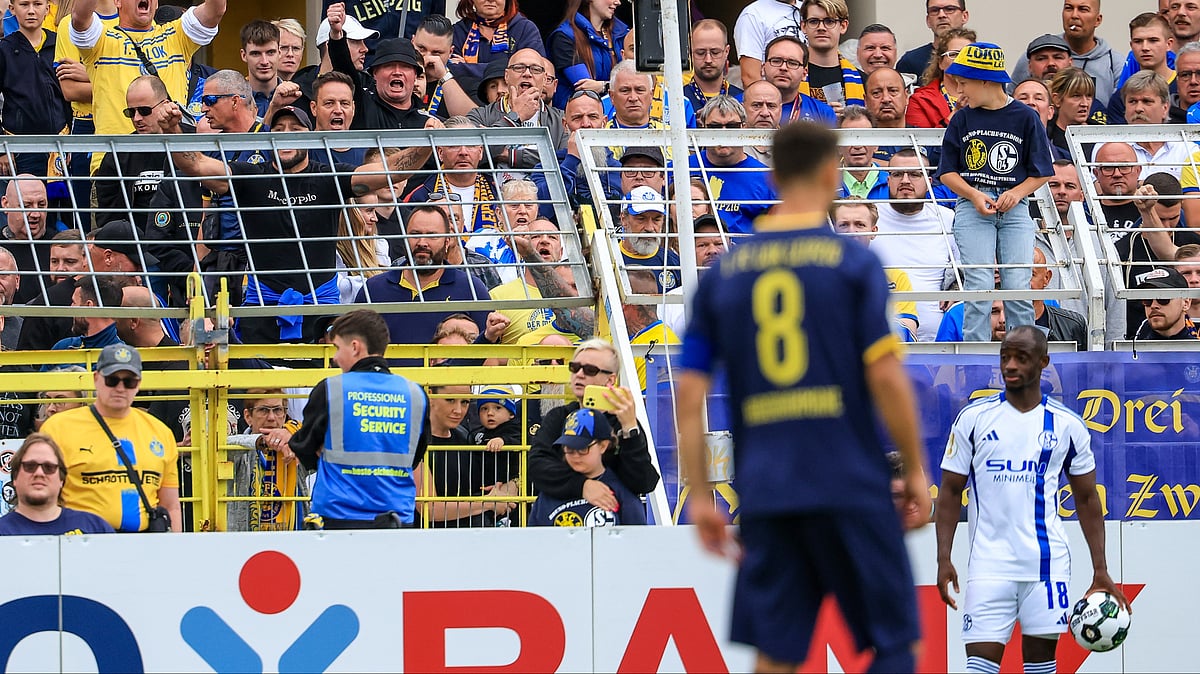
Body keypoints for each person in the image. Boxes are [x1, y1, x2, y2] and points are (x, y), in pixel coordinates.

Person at [678, 120, 931, 673]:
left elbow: (690, 389)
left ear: (772, 175)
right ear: (829, 172)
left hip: (768, 489)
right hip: (850, 481)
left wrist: (700, 492)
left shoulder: (724, 272)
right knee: (894, 644)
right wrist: (914, 468)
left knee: (777, 653)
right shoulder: (852, 262)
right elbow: (887, 376)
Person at [936, 325, 1127, 674]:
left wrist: (1100, 569)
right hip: (988, 566)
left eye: (1021, 358)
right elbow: (950, 490)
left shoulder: (1067, 425)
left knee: (1041, 668)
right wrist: (944, 558)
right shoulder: (974, 419)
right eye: (1005, 356)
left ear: (1043, 363)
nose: (1010, 365)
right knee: (978, 667)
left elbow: (1087, 499)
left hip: (1047, 567)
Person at [937, 43, 1054, 342]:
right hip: (972, 204)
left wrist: (1017, 192)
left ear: (986, 81)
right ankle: (975, 359)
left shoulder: (1025, 117)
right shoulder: (962, 118)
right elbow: (947, 171)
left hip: (1015, 209)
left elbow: (1042, 170)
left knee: (1018, 284)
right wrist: (974, 195)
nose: (959, 91)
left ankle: (1024, 354)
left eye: (964, 83)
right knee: (978, 282)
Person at [281, 309, 432, 529]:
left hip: (338, 514)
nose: (334, 357)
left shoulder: (331, 389)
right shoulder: (415, 394)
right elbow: (416, 454)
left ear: (354, 347)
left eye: (337, 348)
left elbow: (303, 445)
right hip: (397, 517)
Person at [40, 344, 182, 532]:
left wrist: (172, 552)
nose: (120, 388)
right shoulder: (58, 427)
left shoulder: (160, 432)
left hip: (143, 545)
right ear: (96, 379)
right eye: (112, 380)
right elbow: (42, 495)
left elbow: (171, 505)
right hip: (80, 542)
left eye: (129, 382)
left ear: (138, 384)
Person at [68, 0, 226, 163]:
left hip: (173, 159)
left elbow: (215, 10)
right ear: (117, 2)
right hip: (115, 160)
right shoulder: (101, 40)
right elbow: (80, 17)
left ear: (156, 4)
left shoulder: (177, 36)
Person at [529, 339, 659, 519]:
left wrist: (630, 430)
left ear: (610, 379)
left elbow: (643, 481)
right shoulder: (558, 417)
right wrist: (582, 486)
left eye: (590, 370)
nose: (580, 375)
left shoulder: (622, 421)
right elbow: (537, 466)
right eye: (574, 367)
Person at [356, 205, 492, 350]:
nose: (422, 242)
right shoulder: (374, 290)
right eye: (415, 234)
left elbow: (490, 355)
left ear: (447, 242)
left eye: (432, 235)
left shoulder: (472, 289)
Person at [873, 149, 958, 341]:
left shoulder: (947, 219)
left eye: (914, 174)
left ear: (928, 181)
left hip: (938, 343)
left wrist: (956, 291)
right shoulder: (868, 218)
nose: (905, 180)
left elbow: (968, 270)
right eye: (897, 174)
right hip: (879, 341)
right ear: (888, 180)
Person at [416, 381, 520, 528]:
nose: (458, 410)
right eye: (450, 400)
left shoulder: (466, 436)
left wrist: (508, 486)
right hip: (428, 540)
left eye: (465, 402)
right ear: (430, 396)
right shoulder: (415, 440)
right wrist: (487, 503)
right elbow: (430, 509)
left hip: (472, 536)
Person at [529, 407, 646, 527]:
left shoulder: (621, 491)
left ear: (603, 446)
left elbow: (637, 539)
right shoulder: (549, 493)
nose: (575, 455)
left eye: (583, 449)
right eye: (569, 449)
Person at [0, 0, 70, 183]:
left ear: (47, 9)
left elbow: (69, 98)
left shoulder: (59, 45)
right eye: (24, 5)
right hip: (20, 146)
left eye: (37, 4)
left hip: (59, 143)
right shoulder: (4, 50)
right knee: (27, 204)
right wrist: (2, 149)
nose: (31, 11)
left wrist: (72, 142)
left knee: (60, 206)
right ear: (12, 9)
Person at [832, 199, 919, 342]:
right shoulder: (818, 274)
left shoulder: (896, 277)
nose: (851, 231)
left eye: (859, 225)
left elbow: (907, 330)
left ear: (873, 231)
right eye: (844, 225)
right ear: (833, 230)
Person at [688, 95, 775, 234]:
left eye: (731, 126)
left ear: (744, 127)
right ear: (702, 128)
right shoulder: (678, 169)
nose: (724, 133)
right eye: (715, 127)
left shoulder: (766, 178)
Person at [224, 388, 308, 532]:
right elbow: (223, 445)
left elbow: (326, 446)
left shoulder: (295, 444)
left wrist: (294, 436)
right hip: (245, 542)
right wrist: (262, 441)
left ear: (285, 414)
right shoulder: (236, 446)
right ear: (248, 416)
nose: (271, 417)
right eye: (263, 410)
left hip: (295, 539)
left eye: (277, 410)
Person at [0, 433, 114, 536]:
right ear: (15, 477)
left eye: (48, 467)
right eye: (30, 466)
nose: (39, 473)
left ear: (61, 479)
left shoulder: (96, 528)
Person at [1010, 0, 1123, 103]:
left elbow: (1119, 109)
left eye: (1083, 9)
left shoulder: (1115, 63)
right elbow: (1009, 100)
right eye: (1069, 8)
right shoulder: (1035, 55)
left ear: (1098, 20)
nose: (1074, 15)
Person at [548, 0, 628, 109]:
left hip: (618, 113)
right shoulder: (564, 37)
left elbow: (636, 79)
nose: (618, 2)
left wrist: (603, 86)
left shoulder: (623, 33)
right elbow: (586, 87)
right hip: (579, 115)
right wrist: (614, 86)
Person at [1107, 12, 1180, 126]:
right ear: (1131, 46)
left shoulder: (1186, 87)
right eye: (1138, 41)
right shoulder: (1120, 97)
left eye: (1153, 40)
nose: (1145, 48)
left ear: (1169, 44)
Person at [450, 0, 545, 87]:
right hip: (467, 96)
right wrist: (510, 68)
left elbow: (534, 71)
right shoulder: (459, 30)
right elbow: (451, 70)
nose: (490, 0)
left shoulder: (525, 29)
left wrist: (466, 67)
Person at [798, 0, 862, 111]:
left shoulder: (862, 80)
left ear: (843, 26)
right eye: (814, 21)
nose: (821, 27)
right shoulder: (791, 77)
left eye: (829, 21)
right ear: (803, 26)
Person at [905, 27, 974, 129]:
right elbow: (921, 143)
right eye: (954, 54)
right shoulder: (921, 100)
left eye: (968, 54)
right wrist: (956, 113)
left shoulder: (989, 96)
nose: (961, 60)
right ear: (940, 62)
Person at [1, 175, 54, 304]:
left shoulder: (60, 247)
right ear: (6, 204)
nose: (35, 214)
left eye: (41, 205)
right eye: (27, 205)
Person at [618, 186, 679, 293]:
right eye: (641, 219)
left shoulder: (674, 262)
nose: (650, 228)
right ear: (624, 220)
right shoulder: (608, 259)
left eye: (657, 219)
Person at [763, 35, 835, 126]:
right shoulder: (741, 106)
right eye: (776, 61)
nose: (783, 67)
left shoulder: (824, 113)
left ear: (804, 74)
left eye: (792, 63)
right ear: (763, 68)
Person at [734, 0, 803, 88]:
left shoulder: (809, 10)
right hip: (771, 98)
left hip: (808, 96)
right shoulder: (753, 14)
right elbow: (750, 77)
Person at [896, 0, 969, 80]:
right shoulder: (910, 62)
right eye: (934, 10)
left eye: (949, 9)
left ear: (964, 16)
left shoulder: (981, 57)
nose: (941, 15)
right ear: (928, 20)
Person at [685, 19, 743, 111]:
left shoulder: (742, 100)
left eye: (715, 52)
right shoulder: (679, 100)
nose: (708, 60)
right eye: (700, 53)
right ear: (689, 52)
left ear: (726, 51)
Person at [240, 19, 280, 117]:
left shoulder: (297, 98)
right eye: (256, 54)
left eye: (270, 52)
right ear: (244, 55)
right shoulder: (234, 102)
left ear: (279, 53)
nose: (264, 61)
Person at [743, 80, 783, 166]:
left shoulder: (792, 147)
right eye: (757, 105)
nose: (765, 113)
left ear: (780, 110)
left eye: (771, 106)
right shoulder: (731, 144)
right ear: (742, 108)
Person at [272, 18, 305, 82]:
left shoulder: (311, 87)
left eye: (296, 48)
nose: (290, 54)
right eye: (284, 48)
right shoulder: (250, 88)